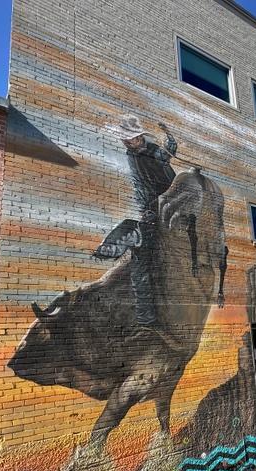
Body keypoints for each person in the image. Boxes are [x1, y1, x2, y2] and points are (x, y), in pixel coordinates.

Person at [95, 115, 177, 326]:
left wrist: (169, 140)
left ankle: (120, 241)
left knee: (141, 252)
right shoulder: (134, 154)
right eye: (129, 139)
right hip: (150, 209)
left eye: (135, 137)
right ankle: (146, 317)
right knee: (141, 262)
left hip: (168, 203)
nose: (132, 141)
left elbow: (164, 156)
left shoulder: (150, 150)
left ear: (140, 136)